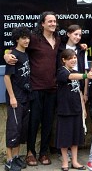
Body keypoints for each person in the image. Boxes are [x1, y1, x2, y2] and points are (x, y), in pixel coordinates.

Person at [4, 11, 62, 166]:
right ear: (42, 23)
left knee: (48, 122)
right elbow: (17, 49)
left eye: (54, 21)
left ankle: (44, 153)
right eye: (49, 21)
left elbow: (61, 58)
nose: (52, 24)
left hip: (51, 88)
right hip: (35, 88)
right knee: (33, 123)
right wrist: (6, 55)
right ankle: (30, 153)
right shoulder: (34, 39)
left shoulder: (57, 39)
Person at [56, 49, 92, 171]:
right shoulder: (61, 71)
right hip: (65, 110)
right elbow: (70, 77)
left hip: (76, 109)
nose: (73, 60)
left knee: (75, 137)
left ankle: (74, 161)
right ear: (64, 60)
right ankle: (65, 162)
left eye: (74, 58)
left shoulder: (76, 71)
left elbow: (78, 92)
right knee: (64, 137)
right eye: (70, 58)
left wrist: (83, 108)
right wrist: (85, 75)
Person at [4, 27, 31, 171]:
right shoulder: (13, 55)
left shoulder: (25, 54)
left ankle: (16, 157)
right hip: (16, 98)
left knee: (21, 129)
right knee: (13, 129)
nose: (26, 40)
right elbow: (7, 77)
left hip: (26, 97)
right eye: (23, 38)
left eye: (28, 37)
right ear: (17, 39)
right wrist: (12, 97)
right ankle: (8, 160)